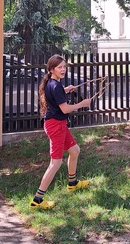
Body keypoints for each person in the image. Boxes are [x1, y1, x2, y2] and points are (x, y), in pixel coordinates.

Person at [30, 54, 92, 210]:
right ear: (52, 69)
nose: (63, 69)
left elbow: (55, 96)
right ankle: (37, 200)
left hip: (58, 124)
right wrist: (82, 104)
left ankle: (72, 183)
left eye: (64, 66)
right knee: (55, 163)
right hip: (56, 125)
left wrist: (66, 90)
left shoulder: (53, 83)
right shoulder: (55, 85)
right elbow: (65, 108)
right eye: (60, 67)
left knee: (75, 151)